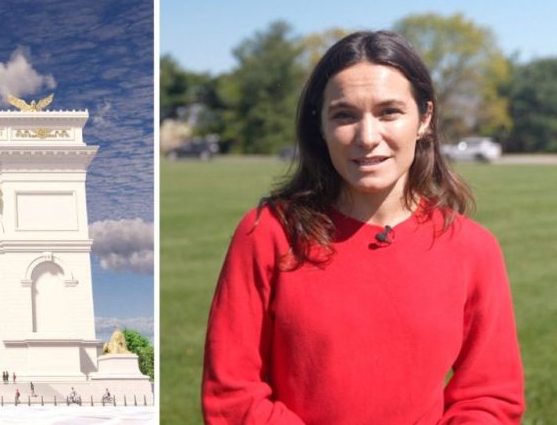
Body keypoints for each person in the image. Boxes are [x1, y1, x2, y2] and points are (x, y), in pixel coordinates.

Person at [202, 31, 525, 424]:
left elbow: (489, 397)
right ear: (320, 125)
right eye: (344, 115)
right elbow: (233, 395)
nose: (367, 137)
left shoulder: (473, 249)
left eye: (389, 112)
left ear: (424, 118)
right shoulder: (268, 234)